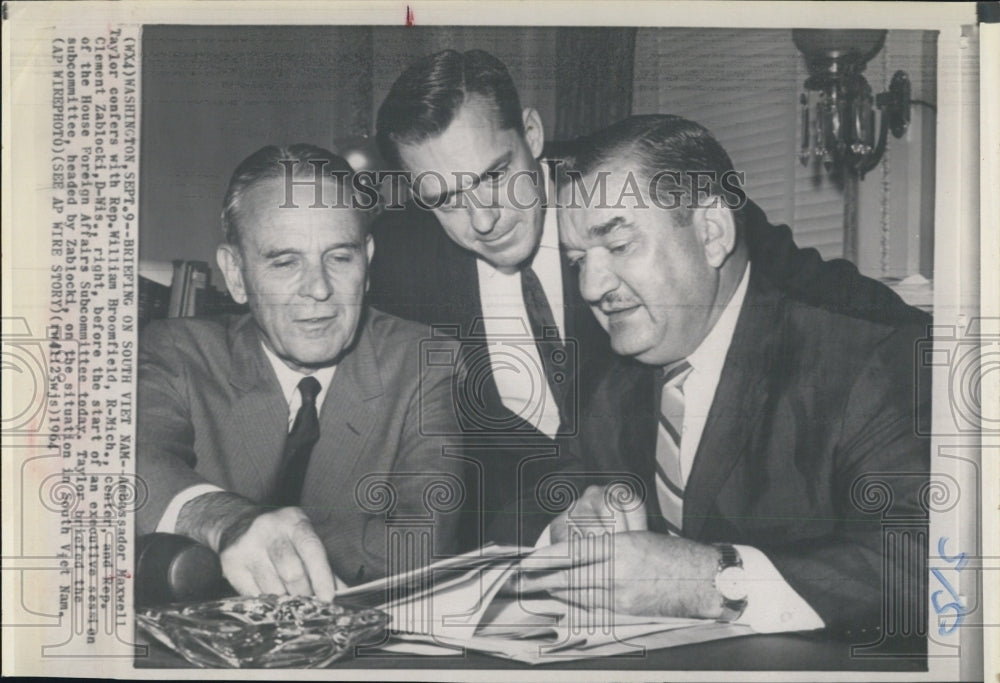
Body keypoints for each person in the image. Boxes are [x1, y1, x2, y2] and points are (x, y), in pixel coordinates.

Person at [369, 49, 926, 545]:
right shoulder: (402, 266)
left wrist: (930, 367)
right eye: (444, 199)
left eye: (494, 176)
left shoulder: (633, 186)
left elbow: (833, 301)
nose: (482, 219)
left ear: (532, 136)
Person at [516, 115, 930, 640]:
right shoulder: (605, 381)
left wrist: (710, 582)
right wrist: (573, 518)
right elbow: (532, 499)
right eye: (577, 261)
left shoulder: (865, 361)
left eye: (618, 246)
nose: (592, 286)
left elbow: (925, 566)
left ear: (711, 233)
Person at [136, 144, 470, 600]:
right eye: (285, 261)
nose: (318, 288)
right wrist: (227, 521)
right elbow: (126, 469)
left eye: (339, 257)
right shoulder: (176, 353)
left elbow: (420, 546)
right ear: (235, 274)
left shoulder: (422, 360)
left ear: (367, 261)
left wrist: (271, 551)